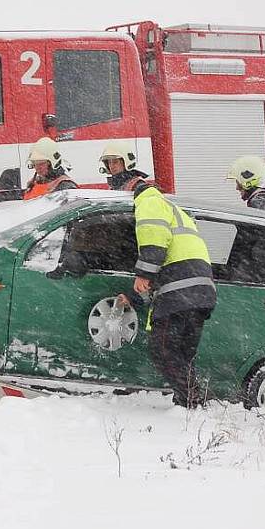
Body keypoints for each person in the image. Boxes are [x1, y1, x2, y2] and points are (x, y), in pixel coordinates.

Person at [103, 141, 217, 408]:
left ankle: (193, 400)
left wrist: (141, 275)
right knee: (182, 352)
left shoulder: (148, 199)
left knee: (162, 349)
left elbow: (154, 241)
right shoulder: (170, 208)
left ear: (133, 182)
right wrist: (133, 294)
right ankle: (188, 404)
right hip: (199, 288)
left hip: (181, 287)